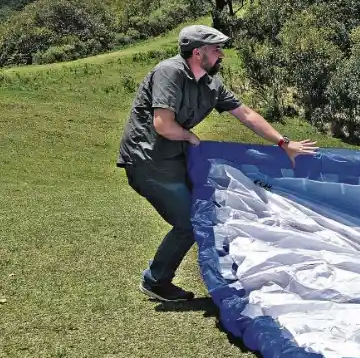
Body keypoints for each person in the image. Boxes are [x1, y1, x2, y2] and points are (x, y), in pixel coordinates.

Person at [116, 25, 319, 301]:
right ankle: (155, 281)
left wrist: (284, 143)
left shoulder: (211, 84)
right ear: (198, 53)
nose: (221, 54)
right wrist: (190, 136)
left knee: (208, 210)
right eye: (216, 49)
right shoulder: (170, 72)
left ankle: (230, 272)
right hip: (147, 161)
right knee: (189, 222)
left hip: (175, 159)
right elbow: (163, 125)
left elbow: (246, 114)